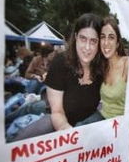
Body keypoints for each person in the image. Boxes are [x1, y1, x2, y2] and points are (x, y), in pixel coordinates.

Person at [9, 13, 104, 142]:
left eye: (93, 41)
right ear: (75, 37)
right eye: (83, 38)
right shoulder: (60, 62)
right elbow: (57, 111)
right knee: (19, 141)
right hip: (55, 117)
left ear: (99, 43)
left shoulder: (102, 68)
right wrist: (64, 127)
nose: (87, 47)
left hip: (84, 126)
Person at [77, 15, 128, 126]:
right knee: (78, 127)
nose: (105, 43)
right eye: (102, 37)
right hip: (102, 116)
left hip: (120, 124)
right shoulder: (101, 65)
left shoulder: (127, 63)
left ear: (118, 43)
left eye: (111, 37)